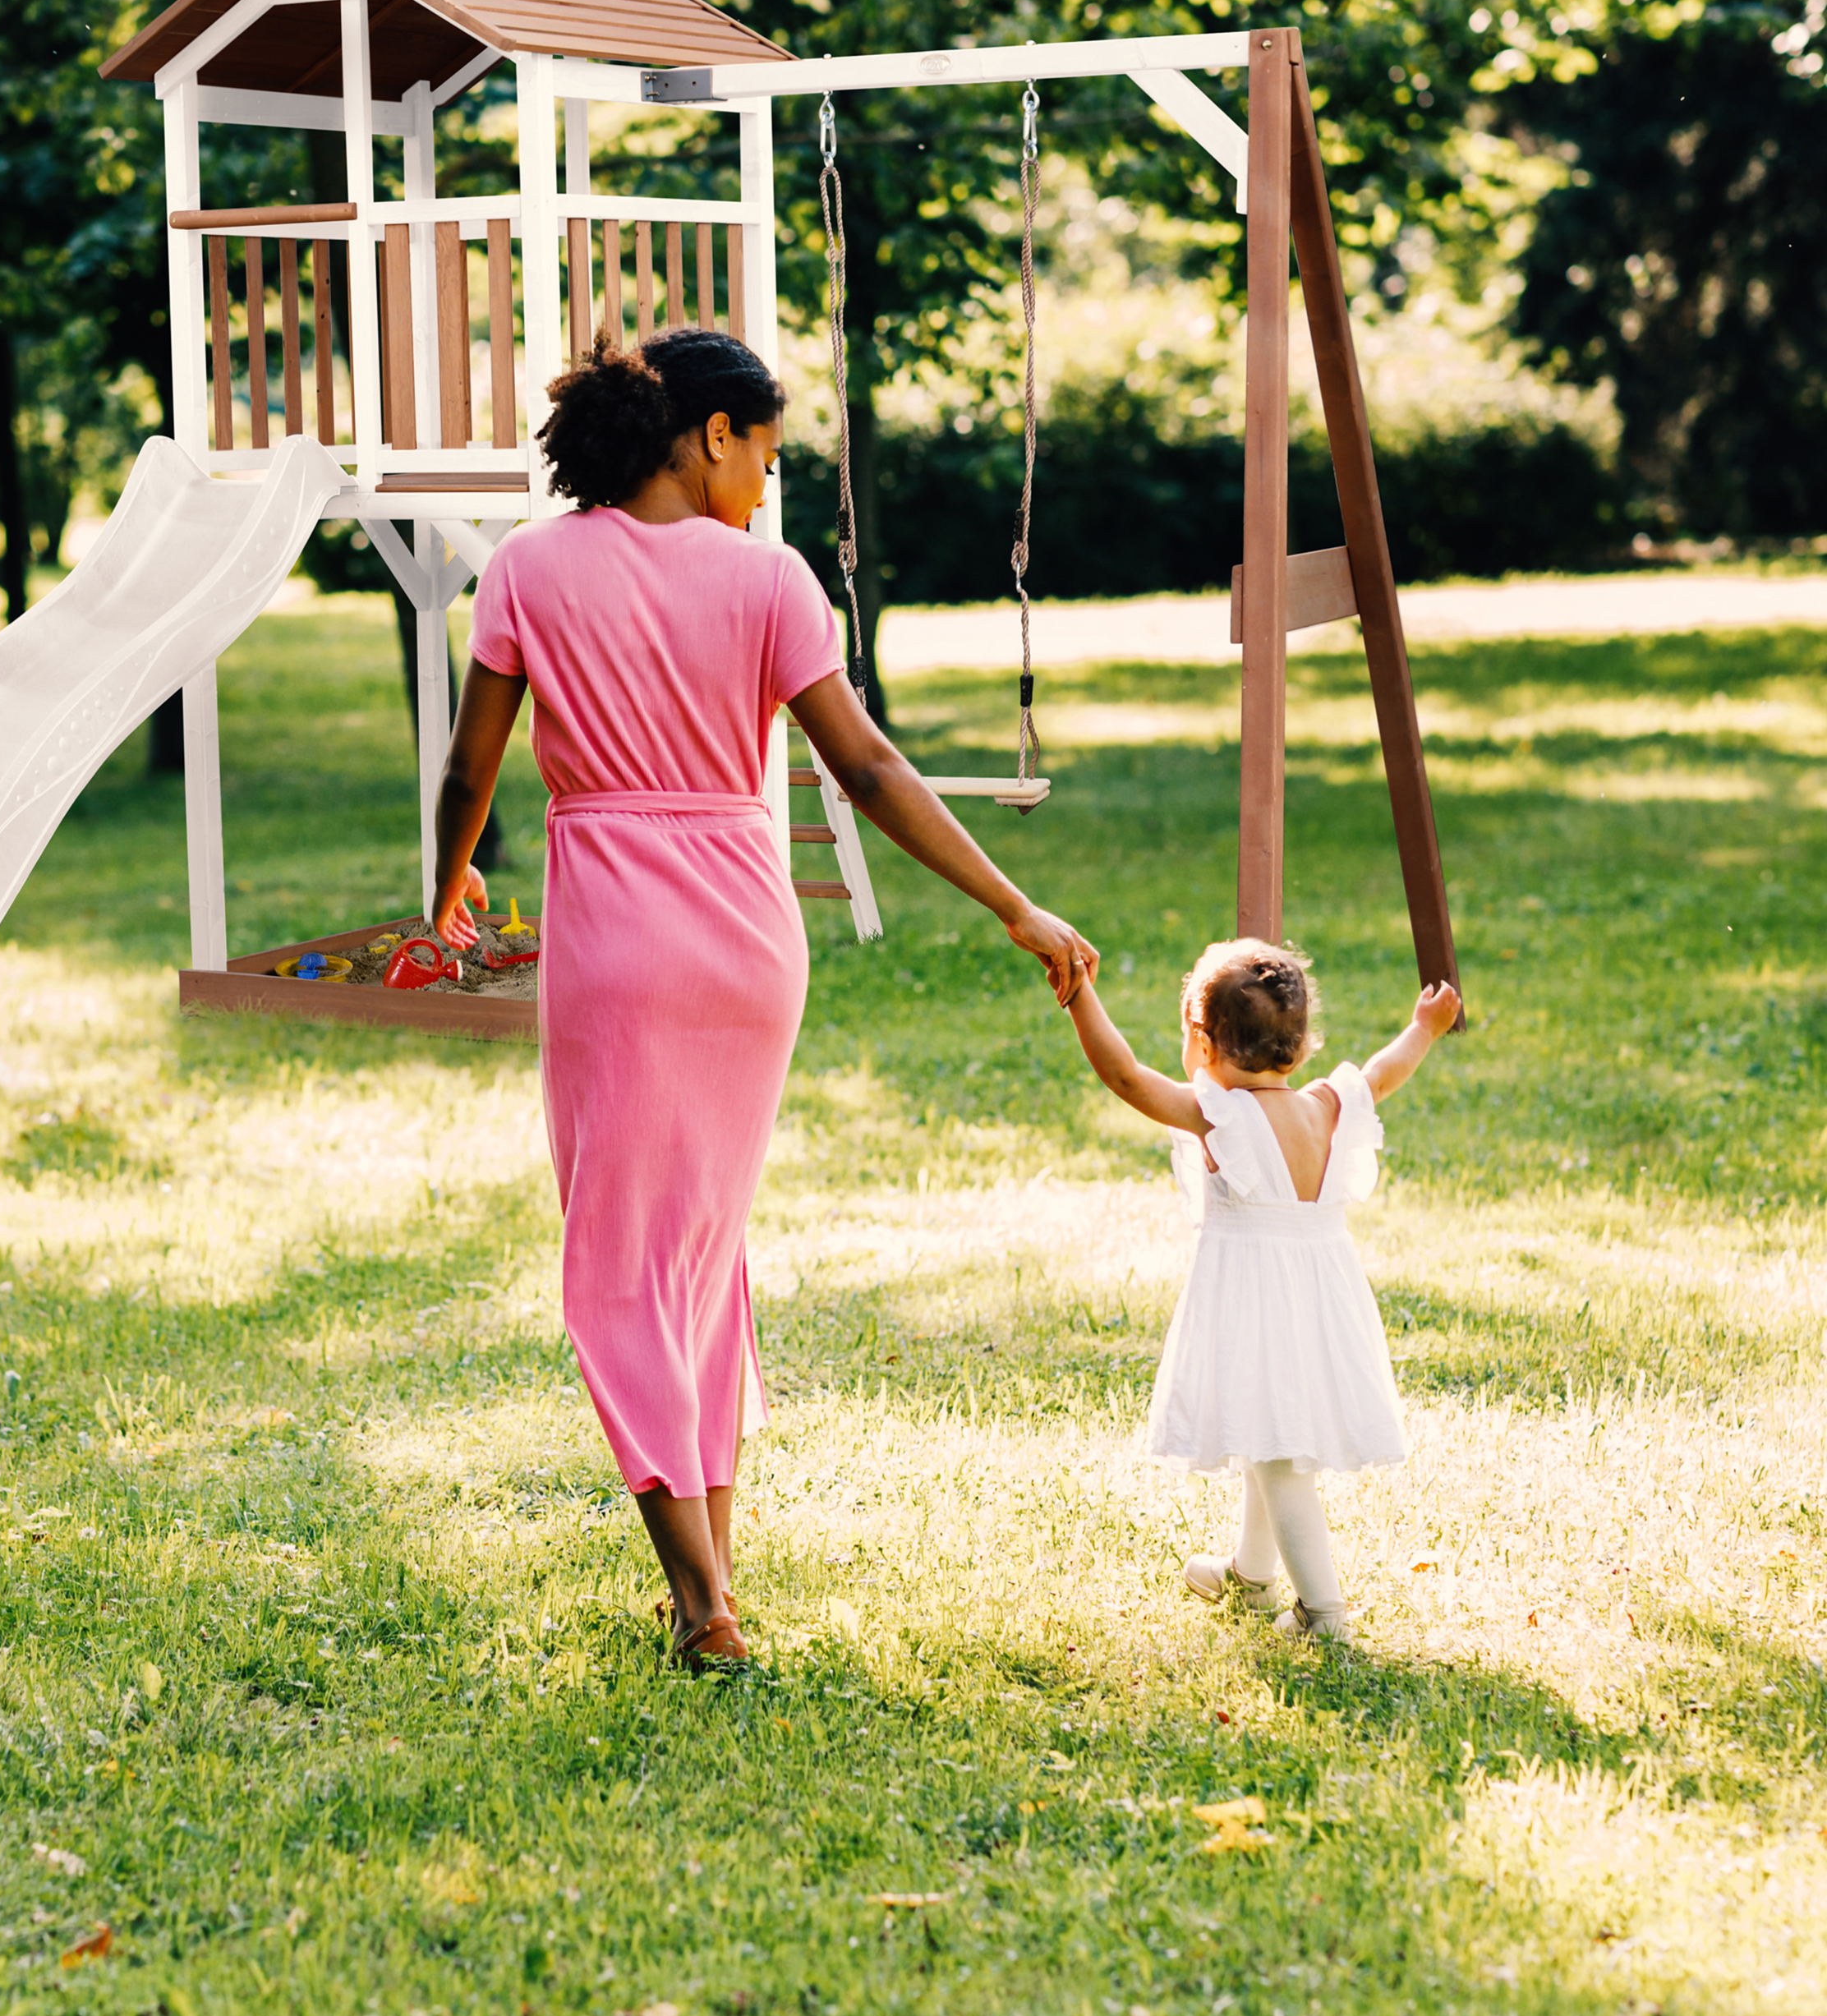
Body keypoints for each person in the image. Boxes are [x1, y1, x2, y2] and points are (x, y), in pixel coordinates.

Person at [428, 330, 1096, 1670]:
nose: (766, 485)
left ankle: (700, 1602)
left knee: (621, 1266)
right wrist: (1011, 903)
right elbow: (869, 770)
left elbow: (471, 771)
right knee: (698, 1255)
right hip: (746, 942)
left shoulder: (528, 568)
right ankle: (712, 1577)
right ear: (708, 434)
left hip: (616, 941)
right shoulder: (771, 581)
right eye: (765, 455)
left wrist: (441, 896)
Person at [1059, 937, 1463, 1639]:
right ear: (1301, 1048)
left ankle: (1323, 1614)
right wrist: (1422, 1028)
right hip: (1321, 1302)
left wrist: (1078, 994)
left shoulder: (1221, 1117)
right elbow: (1383, 1070)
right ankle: (1251, 1575)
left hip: (1256, 1305)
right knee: (1263, 1431)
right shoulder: (1329, 1105)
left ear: (1203, 1043)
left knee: (1278, 1459)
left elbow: (1125, 1076)